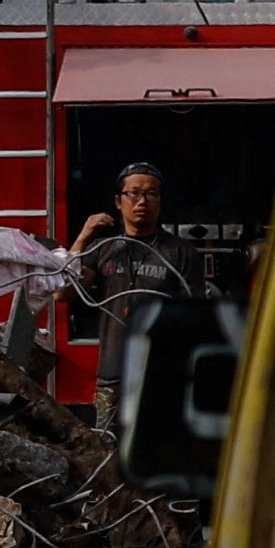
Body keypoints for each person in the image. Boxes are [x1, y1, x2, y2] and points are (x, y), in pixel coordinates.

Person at [69, 159, 207, 429]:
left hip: (161, 376)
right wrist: (83, 237)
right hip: (113, 375)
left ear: (160, 202)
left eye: (150, 193)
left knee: (156, 452)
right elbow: (63, 293)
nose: (142, 201)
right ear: (119, 201)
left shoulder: (180, 252)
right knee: (106, 453)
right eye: (133, 193)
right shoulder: (103, 248)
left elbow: (195, 315)